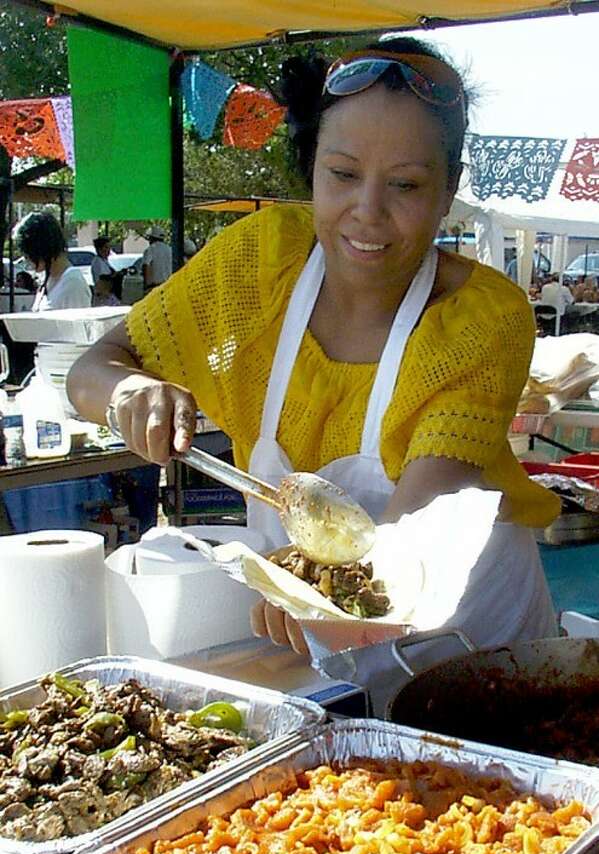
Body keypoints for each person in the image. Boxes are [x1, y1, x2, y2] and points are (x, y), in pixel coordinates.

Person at [67, 37, 560, 658]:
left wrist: (298, 583)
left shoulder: (484, 319)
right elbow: (91, 369)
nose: (368, 212)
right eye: (343, 174)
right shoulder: (258, 262)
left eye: (406, 185)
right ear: (312, 164)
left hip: (476, 650)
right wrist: (129, 393)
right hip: (316, 651)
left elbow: (404, 537)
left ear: (448, 189)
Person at [16, 212, 91, 312]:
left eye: (28, 254)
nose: (26, 259)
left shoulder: (73, 283)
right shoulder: (47, 279)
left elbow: (77, 326)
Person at [141, 226, 172, 291]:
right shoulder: (170, 250)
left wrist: (146, 285)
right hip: (169, 286)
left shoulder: (150, 250)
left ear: (152, 238)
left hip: (154, 287)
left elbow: (146, 266)